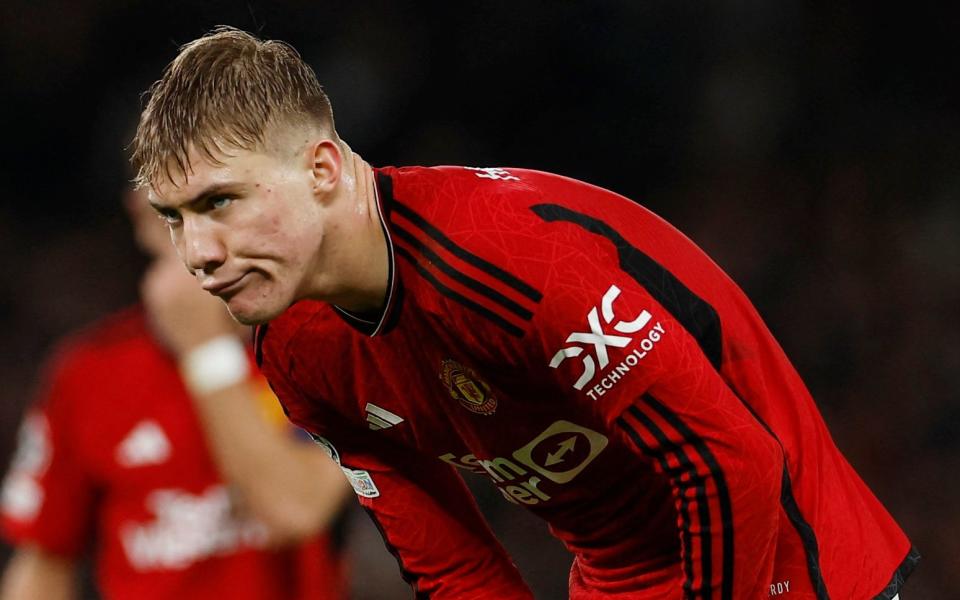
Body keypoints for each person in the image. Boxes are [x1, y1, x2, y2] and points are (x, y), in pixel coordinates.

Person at [129, 27, 918, 599]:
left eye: (220, 201)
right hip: (620, 581)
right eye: (174, 218)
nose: (198, 250)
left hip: (792, 560)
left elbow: (728, 464)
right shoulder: (299, 350)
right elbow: (451, 566)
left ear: (324, 169)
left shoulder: (505, 254)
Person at [0, 183, 352, 599]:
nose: (201, 234)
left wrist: (206, 350)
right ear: (140, 215)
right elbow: (43, 565)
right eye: (174, 211)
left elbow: (294, 509)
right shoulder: (87, 370)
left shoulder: (326, 343)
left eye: (218, 202)